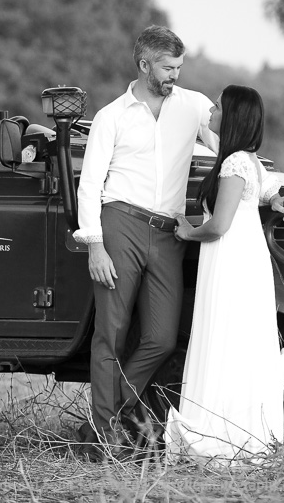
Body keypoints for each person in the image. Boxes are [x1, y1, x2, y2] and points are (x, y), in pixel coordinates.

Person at [72, 25, 219, 457]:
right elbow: (91, 184)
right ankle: (103, 438)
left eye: (179, 66)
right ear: (144, 64)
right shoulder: (111, 115)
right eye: (168, 67)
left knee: (161, 337)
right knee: (111, 335)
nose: (175, 74)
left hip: (169, 232)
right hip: (120, 225)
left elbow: (234, 152)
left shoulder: (193, 106)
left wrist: (271, 191)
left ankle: (106, 418)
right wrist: (94, 244)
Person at [164, 84, 284, 466]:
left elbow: (219, 224)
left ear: (233, 117)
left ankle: (222, 434)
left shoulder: (234, 164)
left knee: (223, 337)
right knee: (238, 340)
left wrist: (187, 231)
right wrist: (277, 198)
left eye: (218, 108)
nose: (211, 112)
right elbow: (262, 190)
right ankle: (245, 432)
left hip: (229, 259)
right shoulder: (247, 160)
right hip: (244, 260)